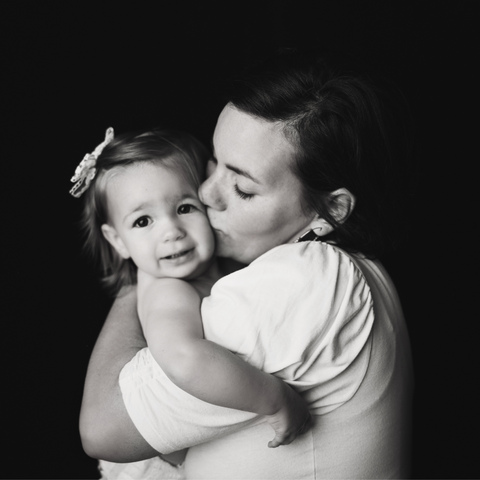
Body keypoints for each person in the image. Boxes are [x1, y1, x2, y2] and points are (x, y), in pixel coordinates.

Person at [80, 49, 414, 479]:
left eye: (241, 188)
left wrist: (140, 275)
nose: (204, 194)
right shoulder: (349, 268)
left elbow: (102, 429)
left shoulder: (301, 282)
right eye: (213, 165)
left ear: (328, 209)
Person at [72, 127, 312, 478]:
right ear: (117, 241)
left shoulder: (218, 270)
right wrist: (274, 399)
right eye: (143, 221)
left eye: (185, 207)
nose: (171, 230)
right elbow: (183, 358)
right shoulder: (167, 289)